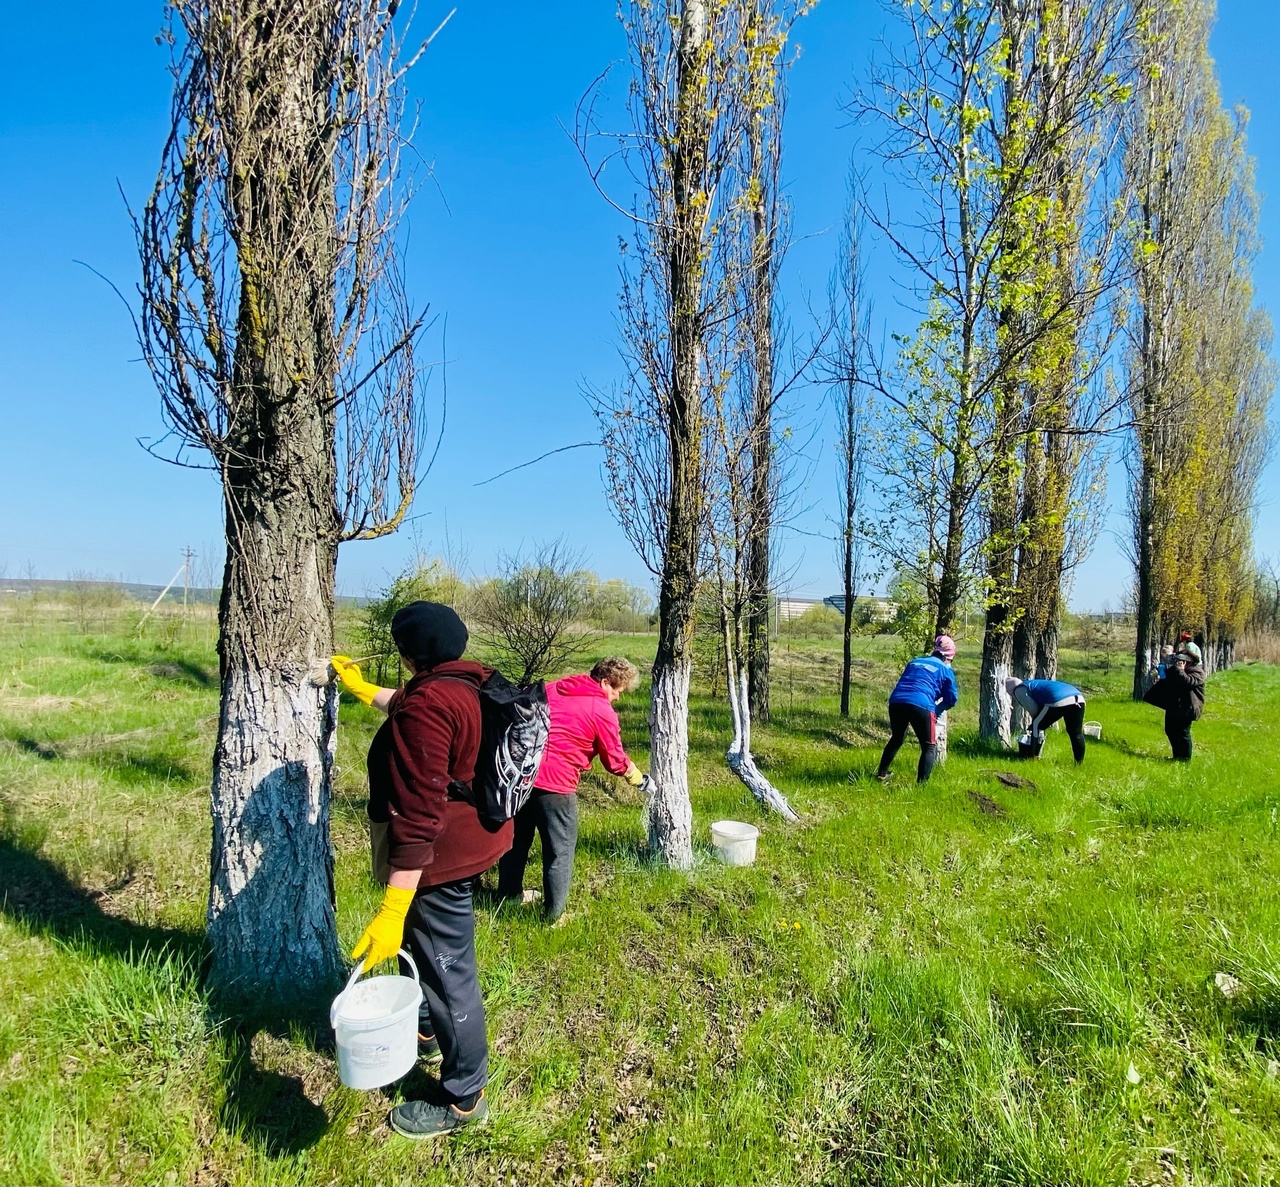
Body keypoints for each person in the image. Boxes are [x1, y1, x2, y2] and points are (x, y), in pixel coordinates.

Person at [332, 601, 511, 1139]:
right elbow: (416, 709)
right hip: (475, 837)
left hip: (438, 860)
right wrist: (366, 691)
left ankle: (465, 1096)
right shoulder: (467, 681)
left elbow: (417, 817)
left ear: (409, 655)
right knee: (432, 958)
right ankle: (428, 1033)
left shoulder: (428, 705)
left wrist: (392, 905)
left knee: (451, 974)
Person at [496, 656, 648, 922]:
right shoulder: (601, 710)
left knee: (516, 841)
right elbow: (614, 760)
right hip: (556, 786)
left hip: (522, 776)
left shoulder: (553, 688)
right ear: (604, 683)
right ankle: (553, 917)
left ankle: (508, 896)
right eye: (617, 691)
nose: (618, 698)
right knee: (560, 851)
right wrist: (638, 778)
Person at [875, 635, 959, 784]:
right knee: (929, 746)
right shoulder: (945, 670)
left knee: (897, 738)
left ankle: (882, 774)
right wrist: (937, 709)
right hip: (921, 704)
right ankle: (921, 786)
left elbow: (914, 682)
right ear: (948, 657)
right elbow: (952, 698)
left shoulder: (914, 662)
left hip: (896, 701)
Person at [1143, 640, 1206, 761]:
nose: (1179, 663)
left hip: (1187, 708)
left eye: (1182, 661)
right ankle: (1177, 756)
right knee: (1171, 730)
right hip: (1174, 706)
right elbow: (1168, 680)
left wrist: (1180, 670)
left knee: (1182, 734)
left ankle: (1184, 759)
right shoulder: (1176, 669)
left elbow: (1188, 682)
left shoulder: (1197, 671)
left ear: (1188, 661)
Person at [1005, 676, 1087, 762]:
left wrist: (1036, 725)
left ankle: (1032, 757)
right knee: (1076, 733)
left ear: (1010, 690)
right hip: (1078, 698)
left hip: (1058, 699)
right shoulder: (1032, 683)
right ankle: (1078, 763)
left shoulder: (1019, 690)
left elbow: (1034, 710)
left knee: (1036, 725)